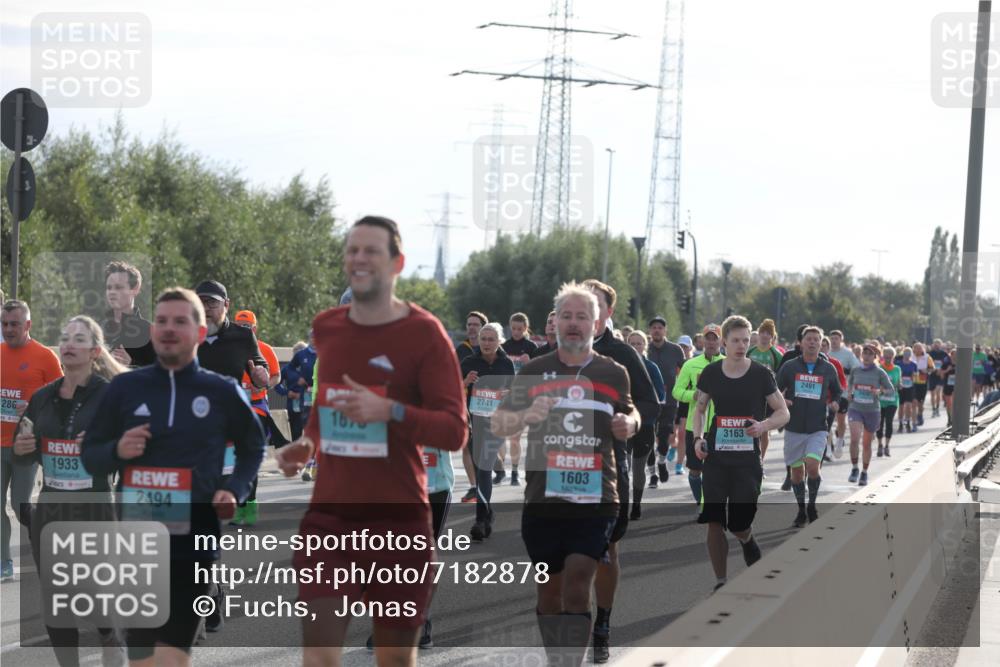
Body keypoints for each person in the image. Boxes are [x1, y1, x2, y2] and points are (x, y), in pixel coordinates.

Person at [275, 216, 467, 667]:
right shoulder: (328, 327)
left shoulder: (425, 333)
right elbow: (328, 404)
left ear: (397, 263)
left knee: (394, 658)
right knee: (319, 657)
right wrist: (307, 444)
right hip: (330, 518)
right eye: (352, 250)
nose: (359, 258)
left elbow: (454, 431)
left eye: (371, 251)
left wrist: (391, 411)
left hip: (398, 519)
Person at [81, 287, 266, 665]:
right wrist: (117, 451)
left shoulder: (221, 391)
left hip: (194, 541)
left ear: (200, 332)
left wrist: (235, 489)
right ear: (153, 332)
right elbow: (91, 455)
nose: (168, 329)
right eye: (162, 321)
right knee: (142, 656)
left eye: (180, 321)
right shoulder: (126, 387)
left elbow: (253, 446)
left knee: (172, 656)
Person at [491, 281, 638, 667]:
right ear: (555, 321)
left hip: (597, 497)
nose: (574, 323)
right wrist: (526, 415)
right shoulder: (535, 370)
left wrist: (630, 424)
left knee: (578, 582)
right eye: (567, 316)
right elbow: (499, 423)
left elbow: (631, 411)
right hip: (544, 499)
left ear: (597, 322)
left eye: (582, 316)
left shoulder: (613, 371)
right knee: (549, 592)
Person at [13, 315, 129, 666]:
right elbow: (25, 449)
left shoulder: (111, 397)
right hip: (52, 508)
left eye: (78, 339)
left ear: (94, 351)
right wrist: (23, 448)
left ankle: (110, 635)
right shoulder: (42, 397)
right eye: (64, 338)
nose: (68, 344)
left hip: (95, 508)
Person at [583, 279, 659, 663]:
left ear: (608, 312)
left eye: (595, 305)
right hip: (561, 465)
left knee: (606, 549)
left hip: (609, 466)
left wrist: (630, 423)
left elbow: (649, 404)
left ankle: (602, 624)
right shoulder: (557, 353)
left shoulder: (623, 354)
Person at [691, 315, 789, 591]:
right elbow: (700, 409)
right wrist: (698, 438)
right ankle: (721, 582)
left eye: (746, 340)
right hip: (716, 456)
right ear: (724, 342)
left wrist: (763, 425)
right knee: (713, 520)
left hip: (747, 461)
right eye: (736, 340)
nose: (742, 345)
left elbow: (783, 412)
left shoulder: (761, 374)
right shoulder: (711, 373)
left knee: (738, 522)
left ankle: (746, 538)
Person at [1, 299, 63, 581]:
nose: (8, 329)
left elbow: (62, 400)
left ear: (27, 324)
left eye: (14, 324)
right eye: (4, 324)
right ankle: (4, 562)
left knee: (20, 506)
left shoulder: (45, 357)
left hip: (26, 446)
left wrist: (34, 410)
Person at [775, 325, 841, 527]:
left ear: (821, 344)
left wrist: (835, 402)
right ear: (801, 343)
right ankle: (801, 509)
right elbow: (775, 390)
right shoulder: (790, 367)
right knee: (796, 474)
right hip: (794, 427)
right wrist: (782, 401)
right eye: (808, 339)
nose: (812, 342)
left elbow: (837, 391)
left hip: (817, 427)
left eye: (816, 339)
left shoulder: (827, 368)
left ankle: (812, 505)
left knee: (812, 466)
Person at [461, 322, 515, 540]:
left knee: (484, 468)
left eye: (491, 339)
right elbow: (452, 390)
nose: (486, 343)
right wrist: (465, 382)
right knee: (480, 468)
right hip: (474, 423)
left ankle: (480, 521)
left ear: (499, 341)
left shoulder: (506, 364)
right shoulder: (468, 362)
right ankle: (488, 513)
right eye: (483, 339)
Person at [230, 309, 283, 526]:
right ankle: (238, 506)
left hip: (256, 409)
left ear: (254, 327)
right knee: (233, 461)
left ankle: (250, 506)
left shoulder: (264, 349)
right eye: (240, 326)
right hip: (233, 410)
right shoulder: (227, 349)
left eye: (247, 326)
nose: (244, 330)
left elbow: (276, 376)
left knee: (249, 458)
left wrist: (263, 385)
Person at [672, 325, 725, 504]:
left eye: (715, 338)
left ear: (721, 341)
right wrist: (693, 395)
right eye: (708, 338)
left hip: (720, 426)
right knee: (695, 471)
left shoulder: (727, 363)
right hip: (694, 427)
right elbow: (676, 391)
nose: (711, 342)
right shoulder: (690, 364)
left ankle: (710, 503)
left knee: (717, 470)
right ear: (702, 340)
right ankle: (700, 500)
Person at [627, 330, 665, 520]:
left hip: (646, 425)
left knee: (638, 467)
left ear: (645, 346)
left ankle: (636, 504)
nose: (635, 347)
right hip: (624, 424)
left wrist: (642, 410)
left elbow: (661, 395)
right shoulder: (621, 366)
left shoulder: (651, 368)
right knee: (623, 466)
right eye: (632, 343)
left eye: (639, 343)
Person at [845, 342, 896, 486]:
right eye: (865, 353)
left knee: (866, 443)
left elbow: (891, 390)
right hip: (855, 408)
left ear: (875, 357)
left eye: (870, 354)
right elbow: (850, 384)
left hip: (872, 411)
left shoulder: (880, 372)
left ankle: (864, 472)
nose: (866, 356)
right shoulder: (855, 370)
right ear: (861, 355)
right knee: (854, 438)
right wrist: (849, 393)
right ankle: (855, 468)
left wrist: (880, 391)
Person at [496, 312, 537, 485]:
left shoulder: (531, 347)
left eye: (520, 329)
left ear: (526, 328)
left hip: (522, 397)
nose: (516, 332)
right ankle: (500, 471)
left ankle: (514, 472)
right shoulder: (503, 347)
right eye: (513, 328)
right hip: (504, 396)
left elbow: (538, 375)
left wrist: (529, 363)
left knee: (514, 438)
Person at [645, 316, 685, 487]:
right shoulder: (645, 348)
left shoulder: (675, 350)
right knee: (647, 438)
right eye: (653, 327)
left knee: (664, 437)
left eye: (660, 327)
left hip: (669, 401)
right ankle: (652, 474)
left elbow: (684, 372)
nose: (657, 330)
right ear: (650, 331)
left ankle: (662, 461)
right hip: (647, 401)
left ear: (665, 330)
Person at [101, 260, 156, 367]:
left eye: (118, 287)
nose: (112, 292)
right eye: (109, 287)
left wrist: (131, 364)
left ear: (135, 289)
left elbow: (160, 373)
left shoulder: (149, 332)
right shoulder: (98, 329)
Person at [457, 310, 487, 502]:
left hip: (486, 404)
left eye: (475, 324)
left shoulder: (491, 348)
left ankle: (484, 481)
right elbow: (452, 382)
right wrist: (466, 382)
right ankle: (474, 486)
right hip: (466, 404)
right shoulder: (461, 350)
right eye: (469, 324)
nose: (472, 328)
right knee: (466, 446)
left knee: (483, 446)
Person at [284, 329, 319, 480]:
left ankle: (313, 465)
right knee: (309, 432)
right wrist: (299, 378)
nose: (315, 339)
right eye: (312, 337)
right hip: (307, 398)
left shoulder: (326, 354)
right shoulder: (301, 355)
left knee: (319, 435)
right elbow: (289, 369)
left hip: (323, 400)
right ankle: (309, 465)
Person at [747, 318, 783, 466]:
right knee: (749, 425)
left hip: (767, 397)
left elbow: (780, 376)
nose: (765, 335)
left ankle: (760, 461)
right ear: (759, 333)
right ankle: (748, 457)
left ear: (772, 337)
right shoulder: (750, 351)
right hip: (749, 394)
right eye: (763, 332)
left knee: (764, 430)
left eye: (768, 333)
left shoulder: (776, 355)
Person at [671, 335, 695, 474]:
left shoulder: (693, 363)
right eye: (680, 346)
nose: (682, 349)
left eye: (685, 347)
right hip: (674, 401)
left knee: (683, 435)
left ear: (690, 348)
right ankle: (672, 446)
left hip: (686, 402)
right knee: (670, 435)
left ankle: (679, 464)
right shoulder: (673, 363)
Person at [876, 345, 901, 457]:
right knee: (879, 423)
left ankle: (887, 446)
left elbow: (898, 382)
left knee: (889, 422)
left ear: (893, 357)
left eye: (890, 357)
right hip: (880, 400)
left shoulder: (897, 369)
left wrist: (900, 385)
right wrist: (882, 390)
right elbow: (876, 383)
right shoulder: (879, 368)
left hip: (892, 400)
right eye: (886, 357)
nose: (888, 359)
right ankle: (880, 445)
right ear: (883, 357)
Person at [897, 348, 918, 432]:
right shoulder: (898, 364)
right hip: (901, 387)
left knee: (909, 405)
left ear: (911, 354)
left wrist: (913, 377)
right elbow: (896, 375)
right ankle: (900, 424)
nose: (907, 355)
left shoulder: (914, 364)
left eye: (909, 353)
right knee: (901, 406)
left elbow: (916, 377)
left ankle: (908, 423)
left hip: (910, 387)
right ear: (903, 354)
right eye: (905, 353)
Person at [928, 339, 949, 418]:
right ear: (933, 345)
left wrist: (942, 371)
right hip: (932, 375)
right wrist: (932, 370)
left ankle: (937, 408)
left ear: (941, 345)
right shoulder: (930, 354)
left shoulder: (944, 354)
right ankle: (933, 409)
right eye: (935, 344)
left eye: (938, 344)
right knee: (932, 394)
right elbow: (927, 365)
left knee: (938, 392)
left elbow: (947, 364)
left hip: (940, 375)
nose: (937, 346)